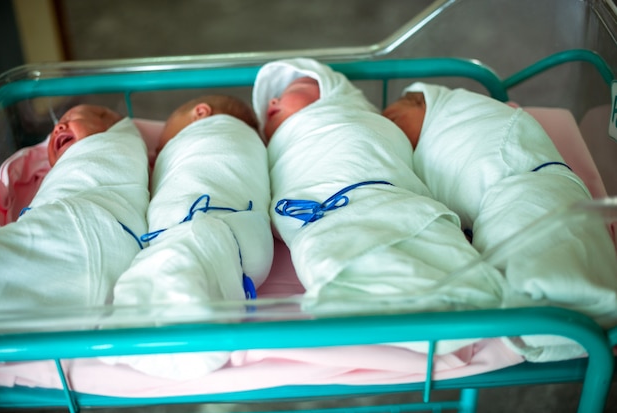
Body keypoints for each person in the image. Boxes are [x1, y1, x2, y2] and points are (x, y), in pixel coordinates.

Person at [252, 58, 506, 329]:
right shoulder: (272, 153)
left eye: (295, 87)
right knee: (340, 258)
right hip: (321, 218)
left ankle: (473, 304)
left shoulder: (357, 117)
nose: (273, 102)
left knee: (430, 239)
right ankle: (411, 316)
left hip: (393, 198)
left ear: (334, 91)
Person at [382, 84, 617, 331]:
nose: (392, 129)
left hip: (526, 181)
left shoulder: (463, 113)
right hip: (497, 202)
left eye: (393, 118)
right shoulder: (421, 161)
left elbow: (505, 138)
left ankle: (563, 306)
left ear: (424, 101)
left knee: (543, 248)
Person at [103, 95, 273, 379]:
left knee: (168, 263)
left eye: (160, 147)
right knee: (194, 265)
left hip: (206, 218)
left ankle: (162, 326)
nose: (156, 155)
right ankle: (200, 319)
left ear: (200, 114)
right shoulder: (255, 147)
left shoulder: (213, 132)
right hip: (248, 237)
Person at [0, 104, 149, 312]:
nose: (57, 128)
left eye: (72, 118)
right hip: (89, 231)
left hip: (87, 223)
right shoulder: (62, 172)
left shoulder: (121, 142)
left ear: (108, 119)